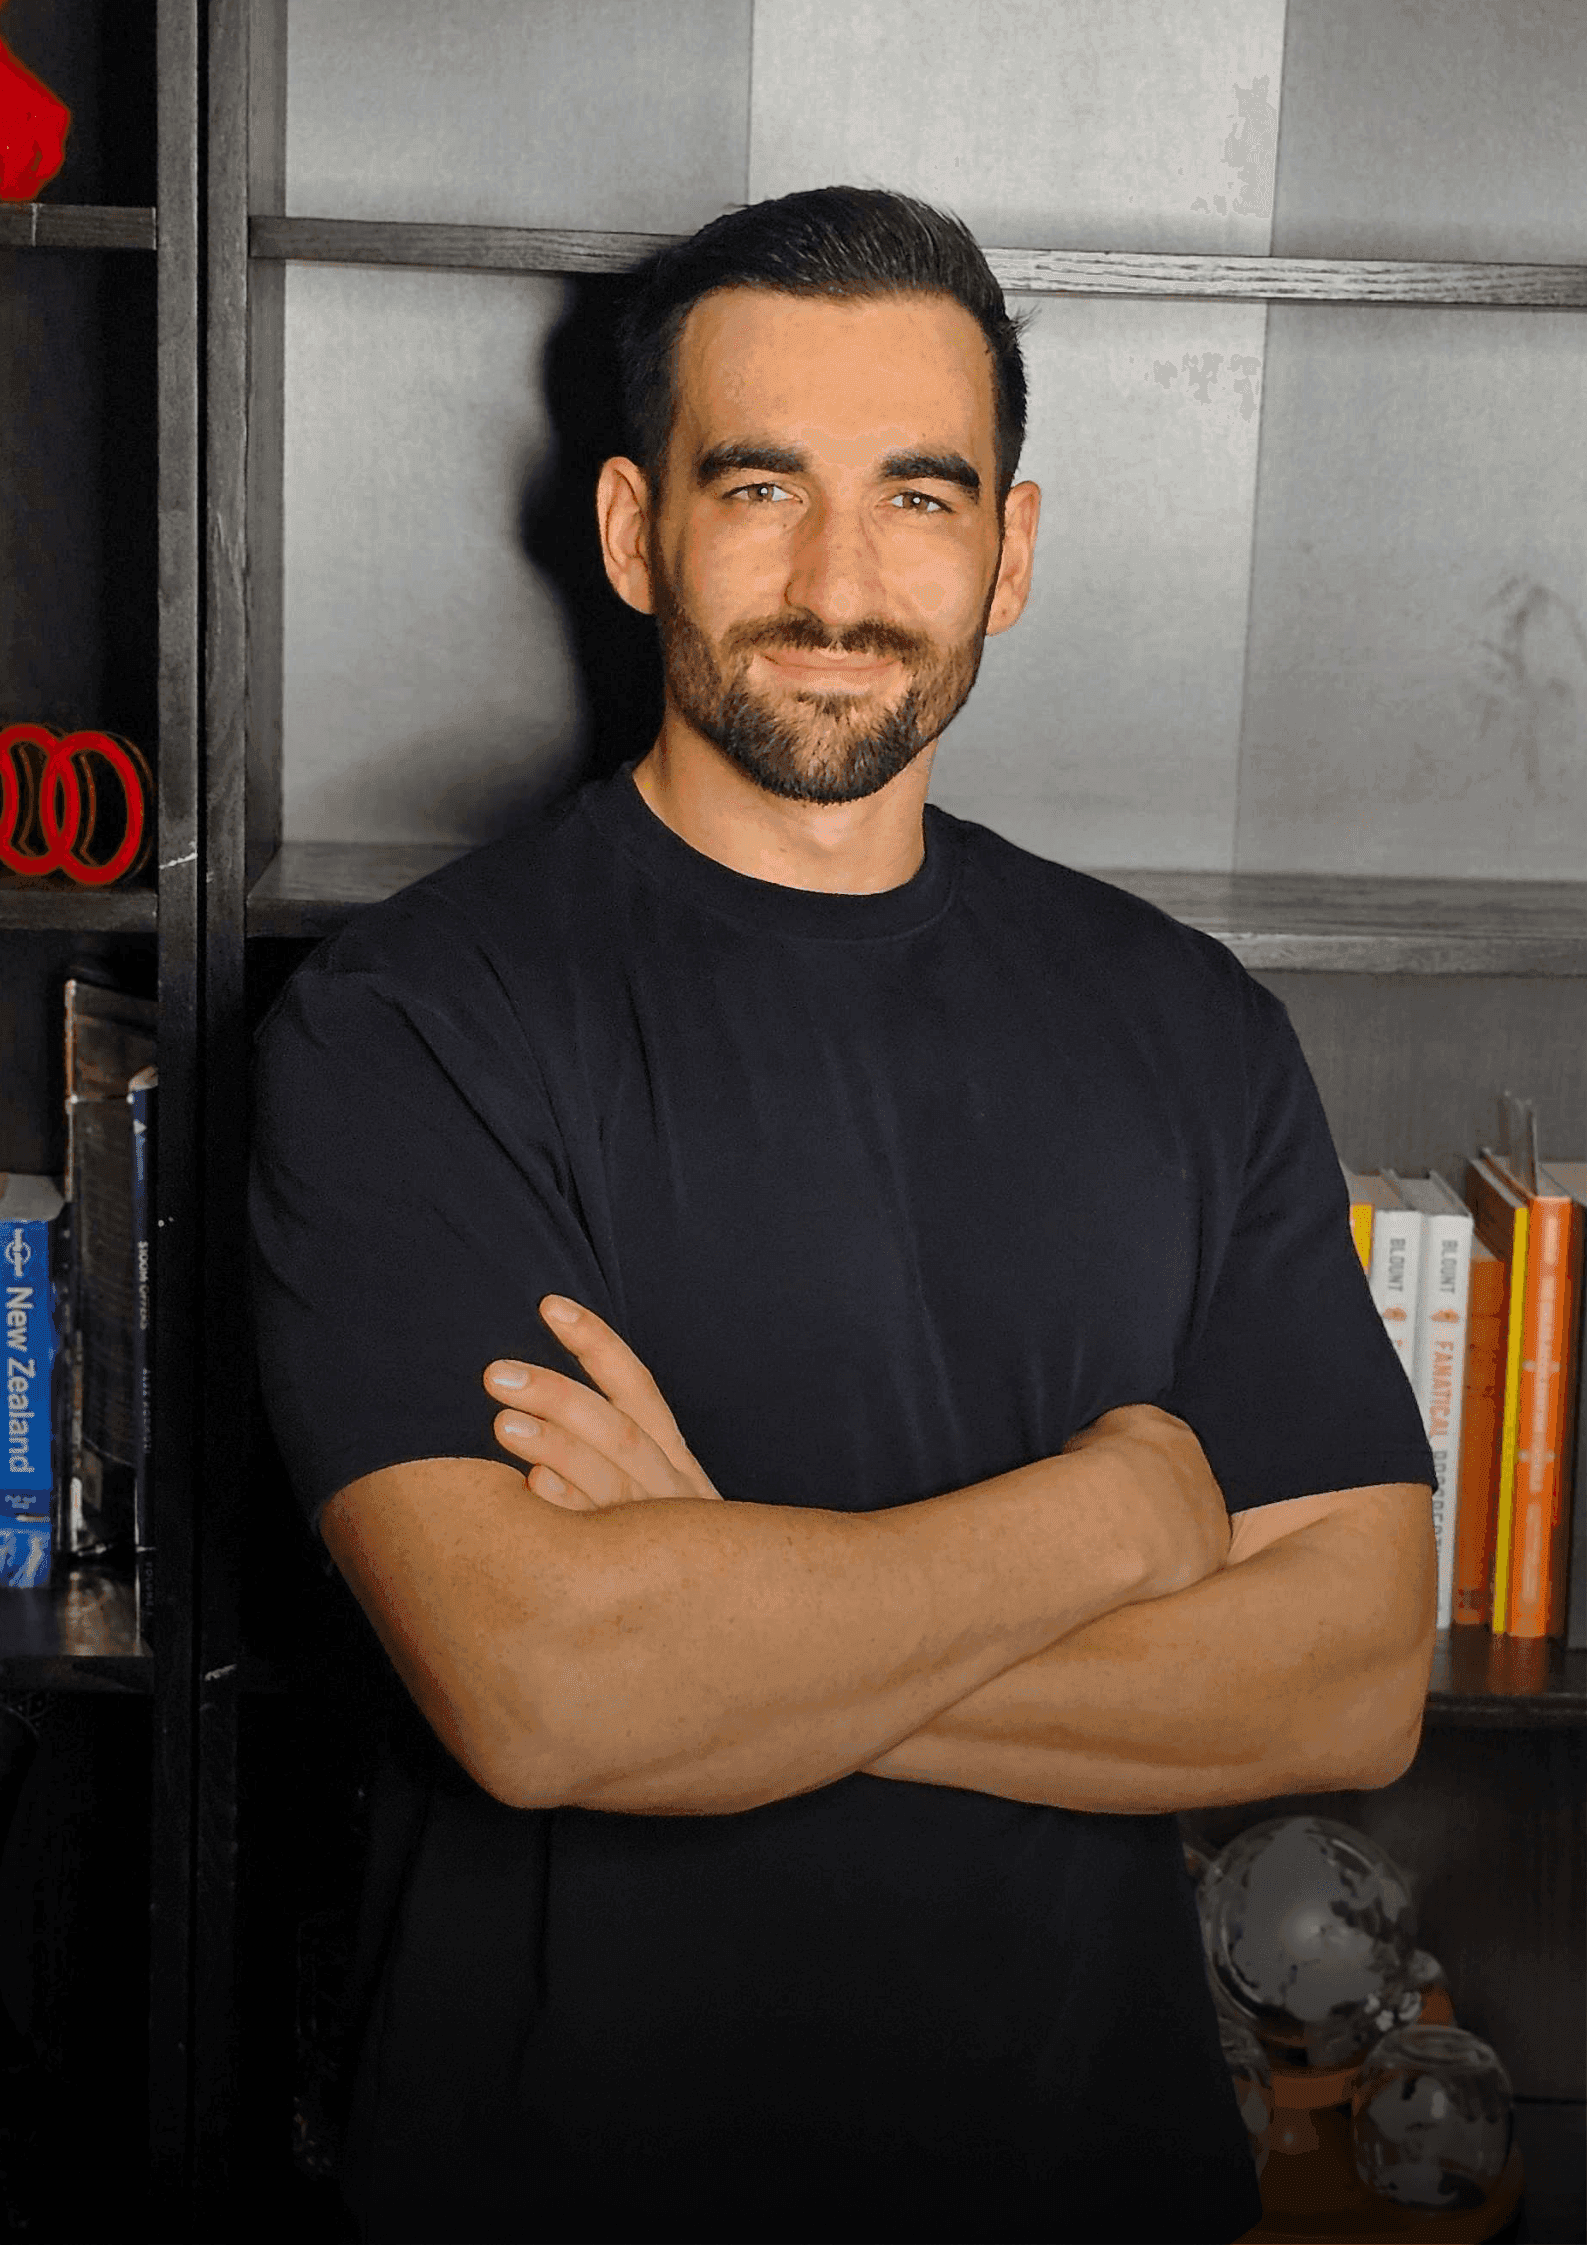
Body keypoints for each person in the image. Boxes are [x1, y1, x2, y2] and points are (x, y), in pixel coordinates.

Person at [249, 186, 1438, 2245]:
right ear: (633, 530)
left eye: (916, 495)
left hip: (1089, 2188)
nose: (837, 582)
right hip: (566, 2191)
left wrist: (719, 1629)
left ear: (1010, 552)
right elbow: (544, 1696)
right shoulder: (411, 1027)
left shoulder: (1185, 1026)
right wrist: (1117, 1518)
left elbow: (1347, 1680)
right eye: (758, 487)